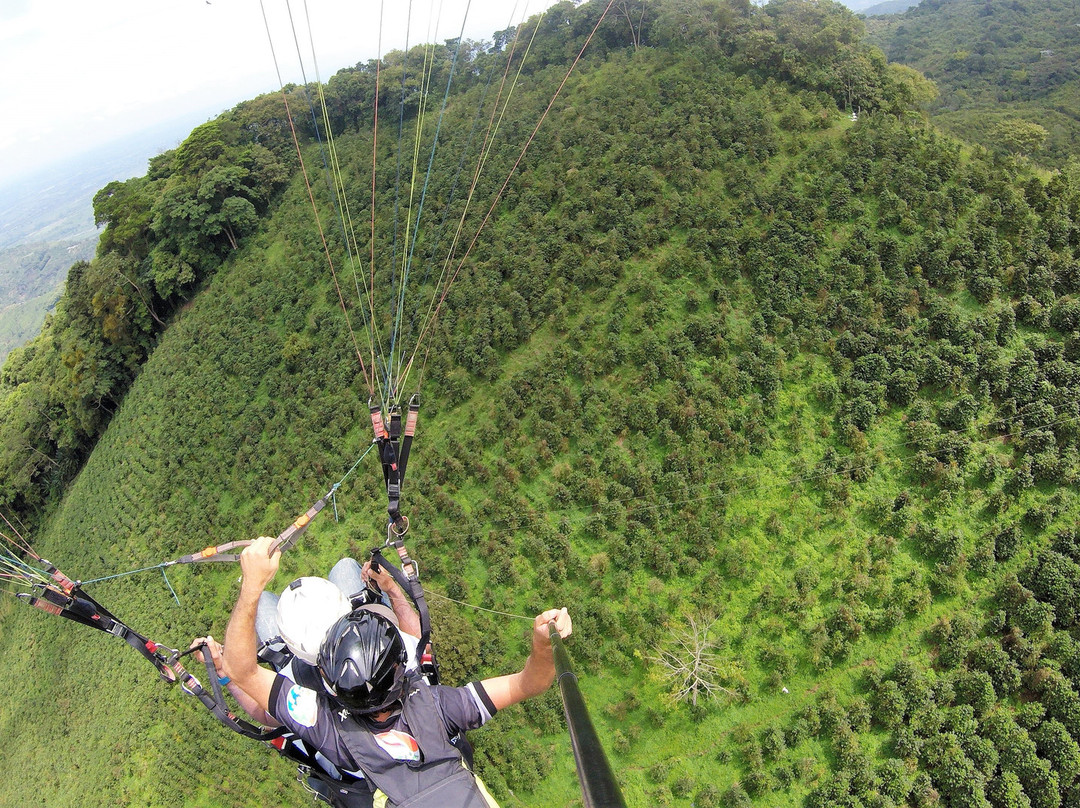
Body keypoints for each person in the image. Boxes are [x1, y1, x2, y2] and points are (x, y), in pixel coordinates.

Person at [223, 535, 572, 808]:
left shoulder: (329, 728)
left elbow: (246, 677)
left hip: (355, 765)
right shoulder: (438, 706)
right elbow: (529, 684)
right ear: (402, 667)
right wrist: (543, 647)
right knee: (344, 568)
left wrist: (251, 588)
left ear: (328, 683)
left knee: (271, 606)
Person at [192, 557, 428, 807]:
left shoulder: (301, 689)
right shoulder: (382, 647)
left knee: (262, 603)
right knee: (345, 566)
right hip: (391, 752)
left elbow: (264, 711)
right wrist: (391, 589)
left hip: (355, 764)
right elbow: (417, 643)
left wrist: (222, 669)